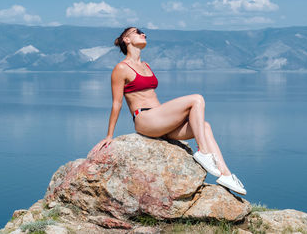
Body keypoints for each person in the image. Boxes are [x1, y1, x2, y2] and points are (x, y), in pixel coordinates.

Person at [93, 27, 246, 195]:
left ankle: (225, 174)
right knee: (197, 99)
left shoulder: (146, 65)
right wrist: (109, 135)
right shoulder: (121, 68)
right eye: (138, 32)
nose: (143, 34)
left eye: (143, 32)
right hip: (145, 119)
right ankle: (203, 152)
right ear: (126, 40)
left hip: (160, 122)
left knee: (205, 126)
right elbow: (117, 103)